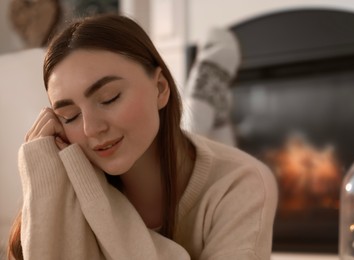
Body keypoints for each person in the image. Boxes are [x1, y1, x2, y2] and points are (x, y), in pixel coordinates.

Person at [7, 14, 278, 260]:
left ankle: (206, 100)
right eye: (69, 116)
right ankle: (209, 103)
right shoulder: (67, 179)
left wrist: (99, 205)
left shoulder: (241, 183)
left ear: (160, 88)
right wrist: (40, 166)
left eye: (109, 98)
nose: (91, 129)